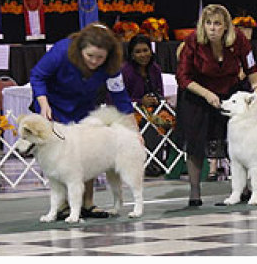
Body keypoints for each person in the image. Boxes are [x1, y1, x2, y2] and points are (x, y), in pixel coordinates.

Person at [30, 23, 137, 218]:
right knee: (60, 158)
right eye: (90, 56)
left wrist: (134, 131)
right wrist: (43, 104)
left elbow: (120, 95)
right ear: (80, 49)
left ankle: (87, 203)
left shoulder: (112, 65)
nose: (95, 61)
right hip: (53, 107)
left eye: (100, 57)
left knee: (87, 154)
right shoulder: (62, 50)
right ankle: (62, 205)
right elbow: (38, 76)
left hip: (83, 107)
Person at [175, 4, 257, 206]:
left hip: (229, 90)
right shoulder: (192, 42)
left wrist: (256, 90)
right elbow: (183, 77)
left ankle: (243, 189)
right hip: (197, 93)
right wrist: (207, 94)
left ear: (226, 27)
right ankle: (195, 192)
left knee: (235, 142)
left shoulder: (239, 39)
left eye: (217, 24)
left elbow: (251, 68)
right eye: (208, 23)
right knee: (195, 143)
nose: (212, 28)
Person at [120, 34, 166, 176]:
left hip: (153, 110)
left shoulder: (155, 69)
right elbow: (118, 98)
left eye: (145, 50)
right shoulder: (125, 71)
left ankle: (172, 162)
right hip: (130, 112)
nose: (143, 55)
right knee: (150, 123)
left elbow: (160, 92)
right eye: (138, 52)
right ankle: (151, 164)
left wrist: (156, 100)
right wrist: (140, 101)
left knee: (173, 121)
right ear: (132, 55)